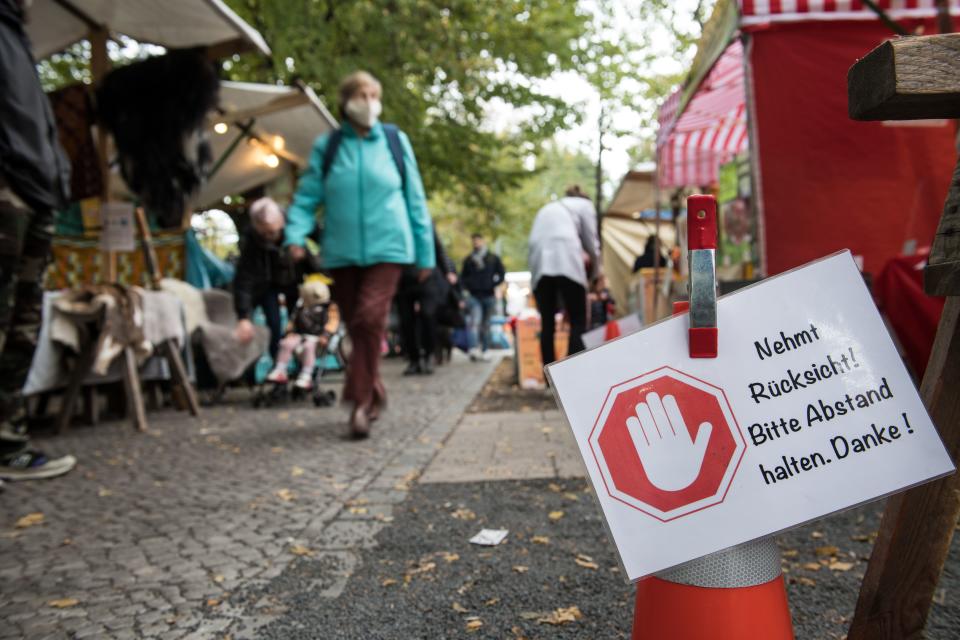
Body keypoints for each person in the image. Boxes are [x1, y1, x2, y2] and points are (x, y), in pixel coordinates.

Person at [285, 70, 435, 438]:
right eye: (361, 95)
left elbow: (415, 200)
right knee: (357, 325)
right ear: (346, 101)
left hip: (390, 248)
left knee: (370, 317)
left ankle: (360, 402)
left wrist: (425, 254)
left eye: (373, 94)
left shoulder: (394, 142)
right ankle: (376, 390)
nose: (368, 102)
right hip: (342, 252)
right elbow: (306, 197)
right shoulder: (330, 146)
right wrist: (295, 234)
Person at [0, 0, 77, 481]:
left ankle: (7, 440)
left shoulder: (16, 36)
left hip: (36, 192)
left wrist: (57, 177)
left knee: (22, 325)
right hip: (10, 189)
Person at [527, 185, 600, 365]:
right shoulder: (585, 205)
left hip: (539, 262)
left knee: (547, 323)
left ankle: (548, 379)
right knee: (578, 319)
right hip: (566, 257)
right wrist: (596, 274)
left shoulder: (549, 208)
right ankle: (571, 372)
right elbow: (591, 243)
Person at [232, 197, 302, 360]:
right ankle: (278, 369)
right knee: (274, 326)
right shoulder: (250, 241)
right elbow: (244, 280)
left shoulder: (295, 225)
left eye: (275, 231)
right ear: (257, 228)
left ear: (282, 220)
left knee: (300, 323)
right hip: (266, 286)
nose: (272, 236)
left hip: (295, 281)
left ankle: (304, 369)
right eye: (266, 233)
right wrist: (243, 317)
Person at [397, 224, 456, 375]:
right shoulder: (393, 218)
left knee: (428, 315)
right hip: (403, 279)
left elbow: (438, 247)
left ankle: (429, 355)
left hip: (427, 276)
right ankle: (414, 360)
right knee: (406, 321)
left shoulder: (424, 220)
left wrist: (448, 271)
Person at [266, 279, 334, 390]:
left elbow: (332, 324)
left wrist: (326, 335)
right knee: (285, 343)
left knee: (308, 346)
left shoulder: (328, 309)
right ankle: (280, 369)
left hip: (316, 339)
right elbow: (292, 322)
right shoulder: (300, 308)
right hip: (300, 335)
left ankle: (306, 374)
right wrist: (289, 332)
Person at [460, 233, 504, 362]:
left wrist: (493, 284)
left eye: (478, 241)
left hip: (489, 295)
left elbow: (501, 274)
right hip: (474, 296)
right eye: (474, 241)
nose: (476, 243)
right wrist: (467, 288)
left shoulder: (493, 258)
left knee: (486, 325)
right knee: (475, 322)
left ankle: (485, 349)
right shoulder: (468, 260)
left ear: (483, 241)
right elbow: (462, 278)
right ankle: (473, 348)